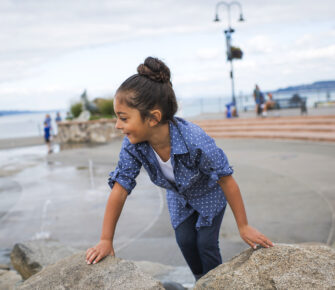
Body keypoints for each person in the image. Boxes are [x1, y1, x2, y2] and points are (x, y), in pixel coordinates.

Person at [85, 57, 273, 280]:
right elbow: (120, 188)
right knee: (185, 241)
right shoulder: (133, 145)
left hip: (209, 194)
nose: (117, 125)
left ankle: (216, 283)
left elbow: (226, 179)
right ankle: (200, 281)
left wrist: (243, 226)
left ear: (153, 118)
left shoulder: (194, 141)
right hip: (179, 197)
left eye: (123, 118)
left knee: (205, 244)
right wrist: (106, 240)